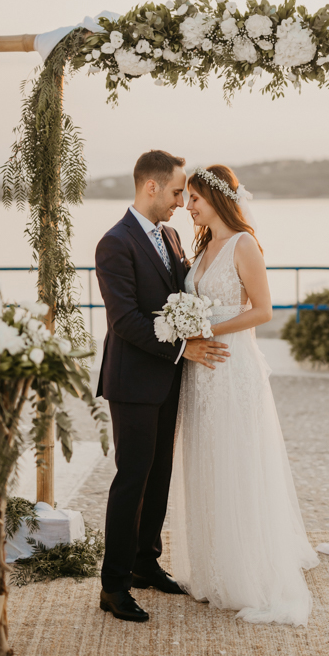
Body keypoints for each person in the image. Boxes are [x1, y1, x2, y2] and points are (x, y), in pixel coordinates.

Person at [169, 165, 319, 626]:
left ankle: (245, 572)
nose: (188, 207)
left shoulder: (243, 244)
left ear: (217, 199)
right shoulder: (202, 248)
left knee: (237, 462)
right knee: (206, 461)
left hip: (233, 368)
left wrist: (208, 329)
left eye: (195, 199)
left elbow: (264, 310)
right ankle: (212, 567)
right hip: (201, 373)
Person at [95, 150, 230, 623]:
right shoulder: (114, 244)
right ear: (150, 186)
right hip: (133, 381)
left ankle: (144, 563)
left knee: (159, 475)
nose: (179, 202)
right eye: (175, 192)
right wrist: (182, 349)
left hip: (169, 379)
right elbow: (125, 321)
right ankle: (113, 585)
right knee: (132, 478)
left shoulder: (170, 235)